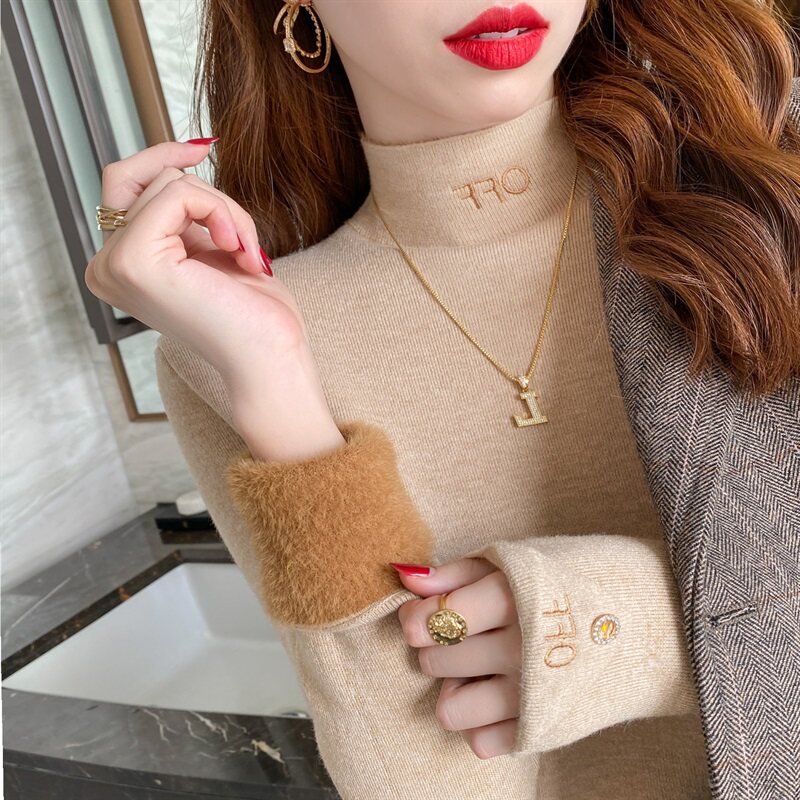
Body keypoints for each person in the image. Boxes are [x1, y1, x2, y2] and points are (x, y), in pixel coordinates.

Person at [85, 1, 800, 798]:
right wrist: (278, 388)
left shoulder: (771, 205)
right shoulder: (233, 350)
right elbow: (416, 781)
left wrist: (621, 629)